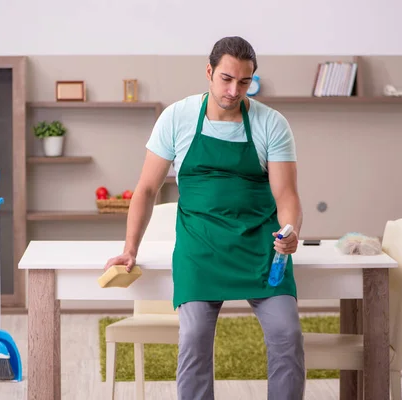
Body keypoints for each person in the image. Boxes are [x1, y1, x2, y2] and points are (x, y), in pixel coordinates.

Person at [104, 36, 305, 399]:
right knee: (194, 339)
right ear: (209, 72)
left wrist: (290, 230)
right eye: (226, 79)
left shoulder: (270, 124)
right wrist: (130, 248)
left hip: (261, 249)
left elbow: (286, 194)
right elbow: (147, 189)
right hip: (200, 249)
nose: (233, 90)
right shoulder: (177, 118)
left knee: (287, 334)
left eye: (244, 82)